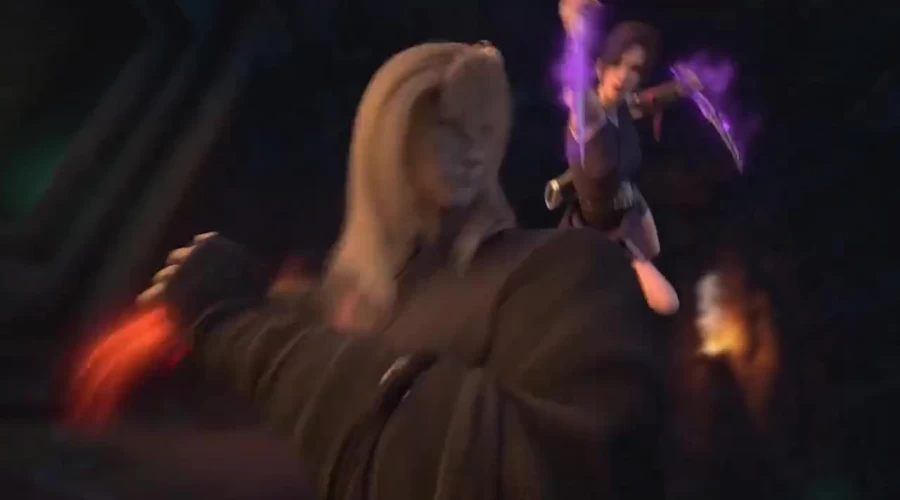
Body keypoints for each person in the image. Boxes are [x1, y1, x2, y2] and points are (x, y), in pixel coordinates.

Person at [110, 41, 664, 499]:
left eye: (484, 130)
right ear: (390, 131)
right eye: (449, 128)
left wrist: (242, 330)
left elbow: (554, 475)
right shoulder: (328, 301)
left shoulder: (562, 268)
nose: (474, 152)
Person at [555, 0, 703, 316]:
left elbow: (647, 102)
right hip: (597, 232)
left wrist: (683, 88)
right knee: (666, 302)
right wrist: (575, 30)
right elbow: (575, 86)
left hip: (625, 207)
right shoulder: (589, 115)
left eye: (634, 69)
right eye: (617, 63)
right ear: (600, 67)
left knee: (654, 247)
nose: (623, 75)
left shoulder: (622, 108)